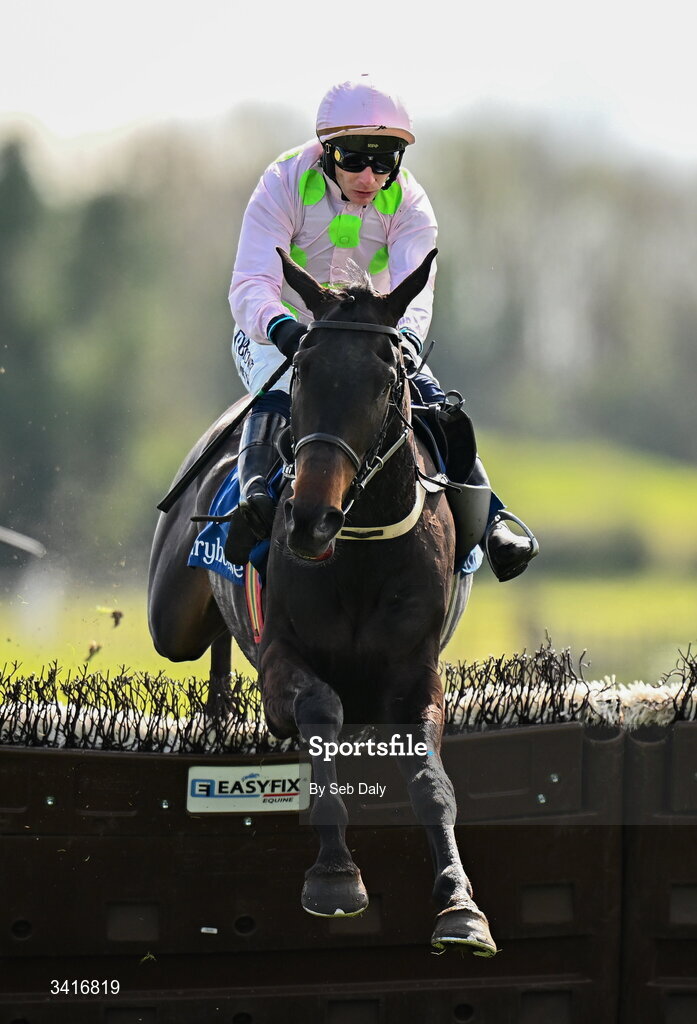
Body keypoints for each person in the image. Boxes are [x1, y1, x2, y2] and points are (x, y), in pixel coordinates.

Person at [225, 75, 537, 581]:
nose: (369, 176)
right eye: (354, 159)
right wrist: (282, 329)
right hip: (281, 330)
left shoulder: (411, 203)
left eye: (385, 161)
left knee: (433, 401)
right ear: (327, 152)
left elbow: (418, 290)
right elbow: (250, 283)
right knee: (289, 385)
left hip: (373, 336)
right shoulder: (281, 182)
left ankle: (494, 517)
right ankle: (254, 497)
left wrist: (408, 341)